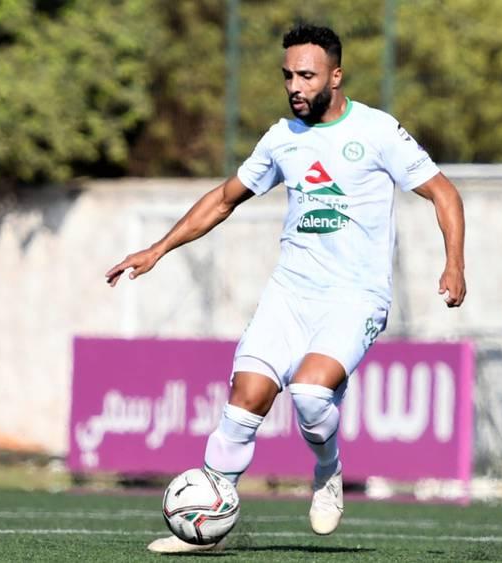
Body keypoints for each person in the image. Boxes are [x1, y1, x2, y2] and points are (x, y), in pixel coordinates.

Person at [106, 23, 466, 553]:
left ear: (335, 76)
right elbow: (224, 198)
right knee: (245, 399)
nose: (295, 85)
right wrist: (158, 249)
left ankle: (328, 470)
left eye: (306, 74)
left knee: (311, 393)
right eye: (287, 75)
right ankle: (208, 516)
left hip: (355, 297)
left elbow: (444, 194)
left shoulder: (377, 131)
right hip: (289, 294)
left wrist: (454, 264)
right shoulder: (280, 139)